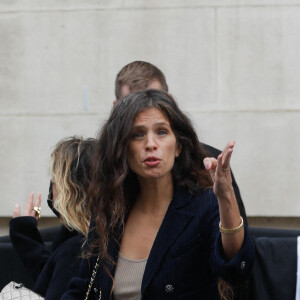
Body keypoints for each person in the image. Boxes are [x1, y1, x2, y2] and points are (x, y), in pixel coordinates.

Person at [62, 90, 254, 300]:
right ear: (123, 149)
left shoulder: (202, 204)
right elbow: (82, 287)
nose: (151, 144)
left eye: (162, 132)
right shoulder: (110, 207)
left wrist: (226, 196)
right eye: (138, 134)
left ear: (178, 146)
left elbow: (236, 268)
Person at [114, 61, 248, 225]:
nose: (145, 110)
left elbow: (239, 241)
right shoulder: (103, 167)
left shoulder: (208, 163)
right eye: (130, 105)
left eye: (155, 99)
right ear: (116, 109)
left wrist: (225, 197)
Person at [9, 136, 95, 299]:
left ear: (66, 190)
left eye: (54, 181)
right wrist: (25, 232)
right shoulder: (87, 238)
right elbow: (52, 273)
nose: (51, 186)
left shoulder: (74, 249)